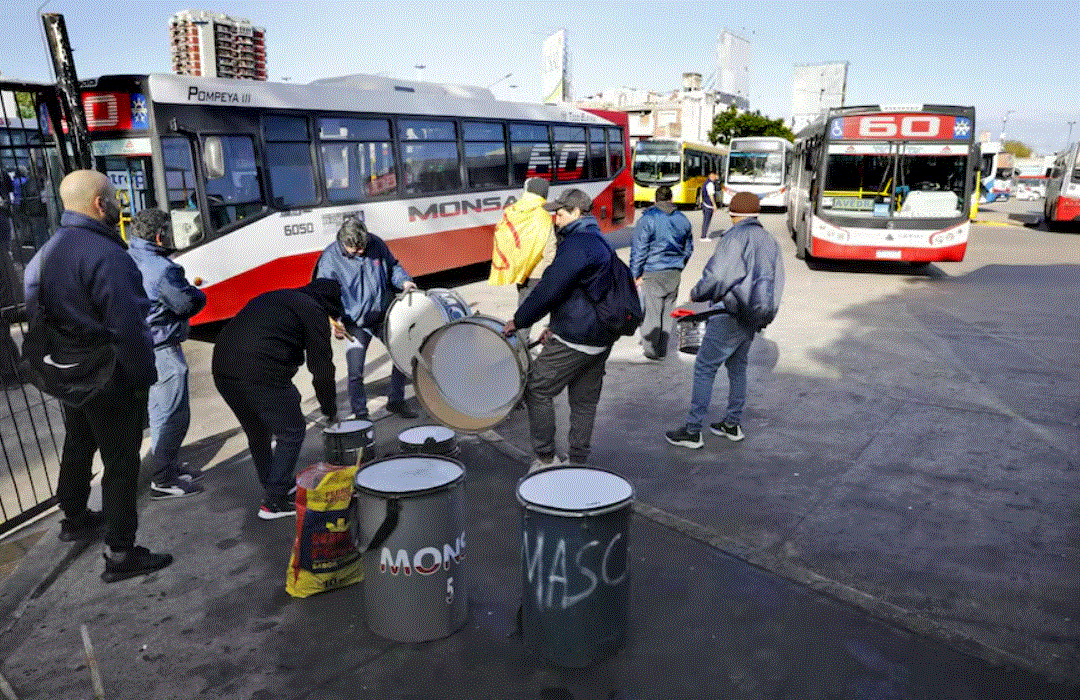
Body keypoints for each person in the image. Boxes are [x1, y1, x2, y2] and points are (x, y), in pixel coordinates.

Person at [22, 169, 171, 582]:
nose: (120, 205)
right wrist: (143, 376)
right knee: (121, 462)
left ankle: (73, 518)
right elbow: (130, 326)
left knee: (80, 440)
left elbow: (35, 317)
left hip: (67, 374)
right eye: (115, 198)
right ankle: (120, 552)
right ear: (99, 204)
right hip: (109, 375)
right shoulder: (106, 254)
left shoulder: (44, 253)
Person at [502, 188, 620, 469]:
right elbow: (579, 293)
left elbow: (549, 289)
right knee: (583, 401)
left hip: (578, 337)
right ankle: (578, 461)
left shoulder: (577, 244)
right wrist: (554, 326)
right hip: (600, 336)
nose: (557, 219)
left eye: (562, 213)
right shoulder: (597, 241)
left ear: (577, 213)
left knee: (537, 388)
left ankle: (545, 458)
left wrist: (519, 321)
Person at [211, 278, 343, 519]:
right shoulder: (314, 311)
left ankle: (273, 485)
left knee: (258, 432)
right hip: (259, 371)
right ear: (329, 305)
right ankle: (273, 503)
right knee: (291, 431)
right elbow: (321, 368)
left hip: (222, 368)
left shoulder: (282, 295)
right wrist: (329, 408)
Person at [665, 191, 784, 448]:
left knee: (705, 367)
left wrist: (697, 294)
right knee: (737, 368)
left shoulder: (735, 237)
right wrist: (765, 316)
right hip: (753, 316)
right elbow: (777, 283)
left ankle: (693, 430)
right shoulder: (769, 239)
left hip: (730, 313)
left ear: (733, 214)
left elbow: (719, 276)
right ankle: (732, 423)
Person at [127, 208, 207, 499]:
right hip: (163, 347)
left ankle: (167, 467)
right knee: (172, 414)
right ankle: (163, 479)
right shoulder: (162, 269)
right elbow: (186, 303)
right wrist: (201, 295)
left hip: (142, 344)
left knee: (159, 411)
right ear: (160, 235)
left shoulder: (130, 255)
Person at [314, 217, 418, 420]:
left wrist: (405, 282)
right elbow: (324, 294)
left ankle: (396, 401)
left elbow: (393, 267)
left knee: (401, 355)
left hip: (383, 315)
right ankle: (360, 413)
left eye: (363, 246)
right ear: (343, 243)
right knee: (355, 373)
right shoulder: (330, 259)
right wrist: (335, 320)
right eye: (355, 249)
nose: (361, 251)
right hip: (355, 323)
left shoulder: (375, 243)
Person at [488, 177, 557, 342]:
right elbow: (550, 250)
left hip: (521, 273)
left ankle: (520, 343)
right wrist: (552, 274)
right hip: (538, 273)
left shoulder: (513, 211)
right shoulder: (543, 216)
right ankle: (519, 348)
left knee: (524, 309)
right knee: (531, 314)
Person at [629, 184, 693, 360]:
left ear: (655, 200)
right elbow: (688, 248)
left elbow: (639, 249)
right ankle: (662, 349)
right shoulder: (683, 219)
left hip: (653, 271)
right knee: (667, 311)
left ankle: (651, 350)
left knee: (652, 312)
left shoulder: (648, 219)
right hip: (674, 271)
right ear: (671, 199)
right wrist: (680, 264)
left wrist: (635, 274)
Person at [700, 170, 721, 240]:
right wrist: (714, 205)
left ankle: (704, 235)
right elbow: (711, 195)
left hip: (705, 204)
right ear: (712, 175)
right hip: (708, 205)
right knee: (707, 221)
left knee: (706, 220)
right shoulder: (710, 184)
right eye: (716, 175)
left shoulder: (706, 182)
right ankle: (703, 237)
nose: (717, 177)